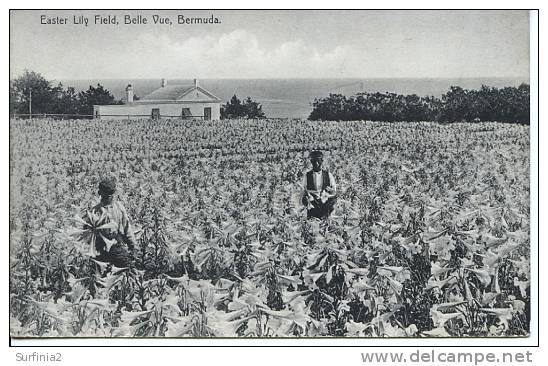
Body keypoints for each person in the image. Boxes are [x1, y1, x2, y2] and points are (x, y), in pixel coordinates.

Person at [87, 177, 137, 268]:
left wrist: (133, 246)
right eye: (106, 195)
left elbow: (127, 228)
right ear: (101, 194)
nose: (109, 198)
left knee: (128, 270)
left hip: (116, 246)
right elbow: (87, 234)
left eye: (110, 195)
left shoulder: (119, 207)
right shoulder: (94, 211)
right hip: (100, 249)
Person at [301, 150, 337, 219]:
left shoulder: (328, 175)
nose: (316, 163)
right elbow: (303, 192)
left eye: (318, 160)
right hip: (312, 207)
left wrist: (327, 196)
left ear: (322, 161)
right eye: (314, 161)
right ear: (311, 162)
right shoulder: (307, 176)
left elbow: (334, 192)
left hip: (326, 207)